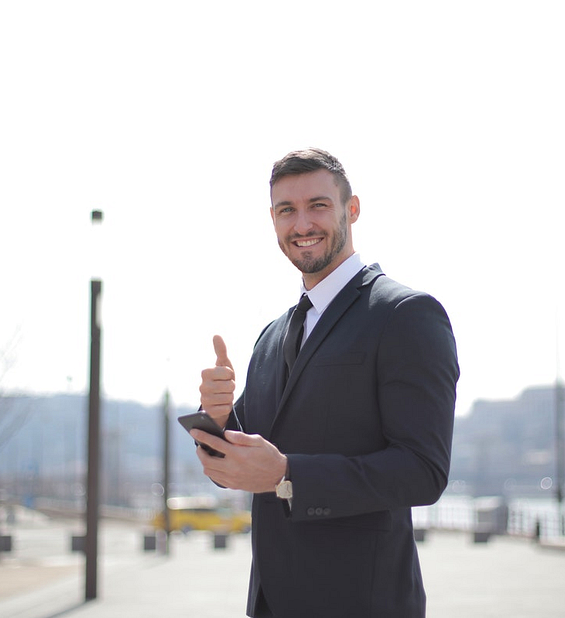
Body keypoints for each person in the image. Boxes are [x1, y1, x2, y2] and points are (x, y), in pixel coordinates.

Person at [194, 147, 459, 617]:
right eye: (286, 210)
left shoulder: (406, 315)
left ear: (350, 209)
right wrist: (217, 421)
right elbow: (244, 464)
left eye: (317, 205)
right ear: (272, 220)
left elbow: (424, 471)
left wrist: (288, 475)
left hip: (364, 603)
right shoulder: (270, 337)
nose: (302, 225)